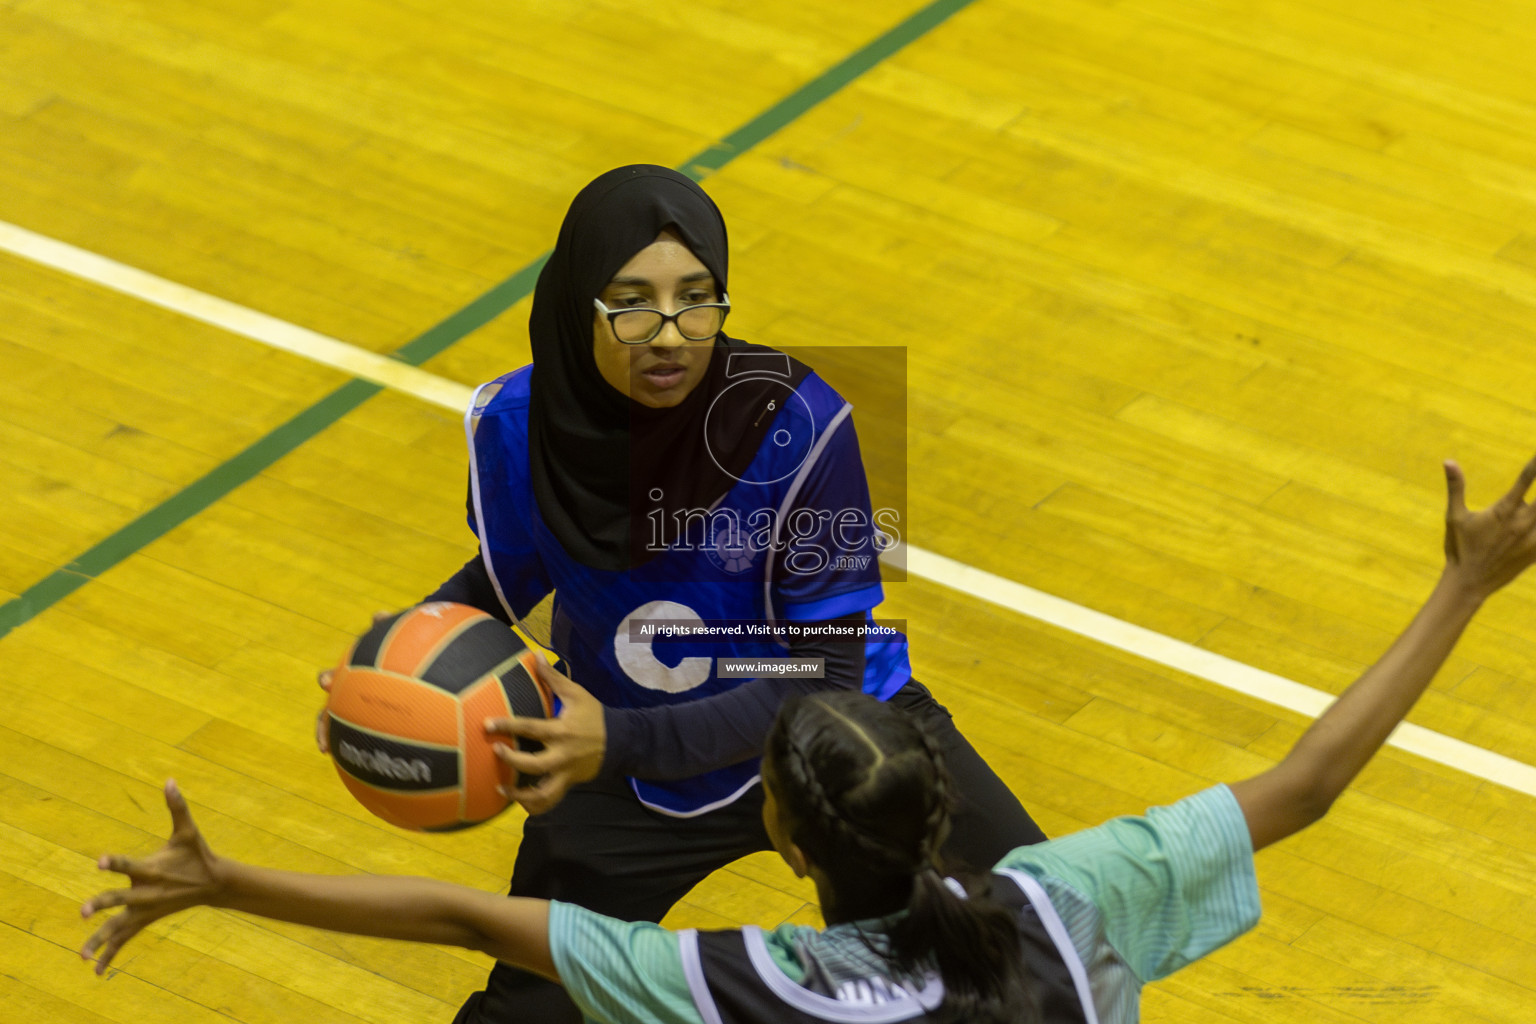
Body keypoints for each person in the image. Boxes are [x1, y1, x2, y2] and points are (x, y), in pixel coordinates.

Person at [85, 453, 1536, 1022]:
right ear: (937, 810)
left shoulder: (745, 984)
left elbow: (469, 911)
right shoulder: (1072, 897)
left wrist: (228, 885)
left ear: (777, 838)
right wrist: (1465, 582)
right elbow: (1309, 782)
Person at [312, 165, 1047, 1021]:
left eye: (697, 300)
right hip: (628, 764)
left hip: (834, 741)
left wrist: (615, 741)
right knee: (530, 1010)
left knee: (1041, 932)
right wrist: (392, 671)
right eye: (631, 303)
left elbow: (829, 674)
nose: (669, 335)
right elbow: (511, 577)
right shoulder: (515, 426)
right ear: (576, 302)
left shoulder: (800, 426)